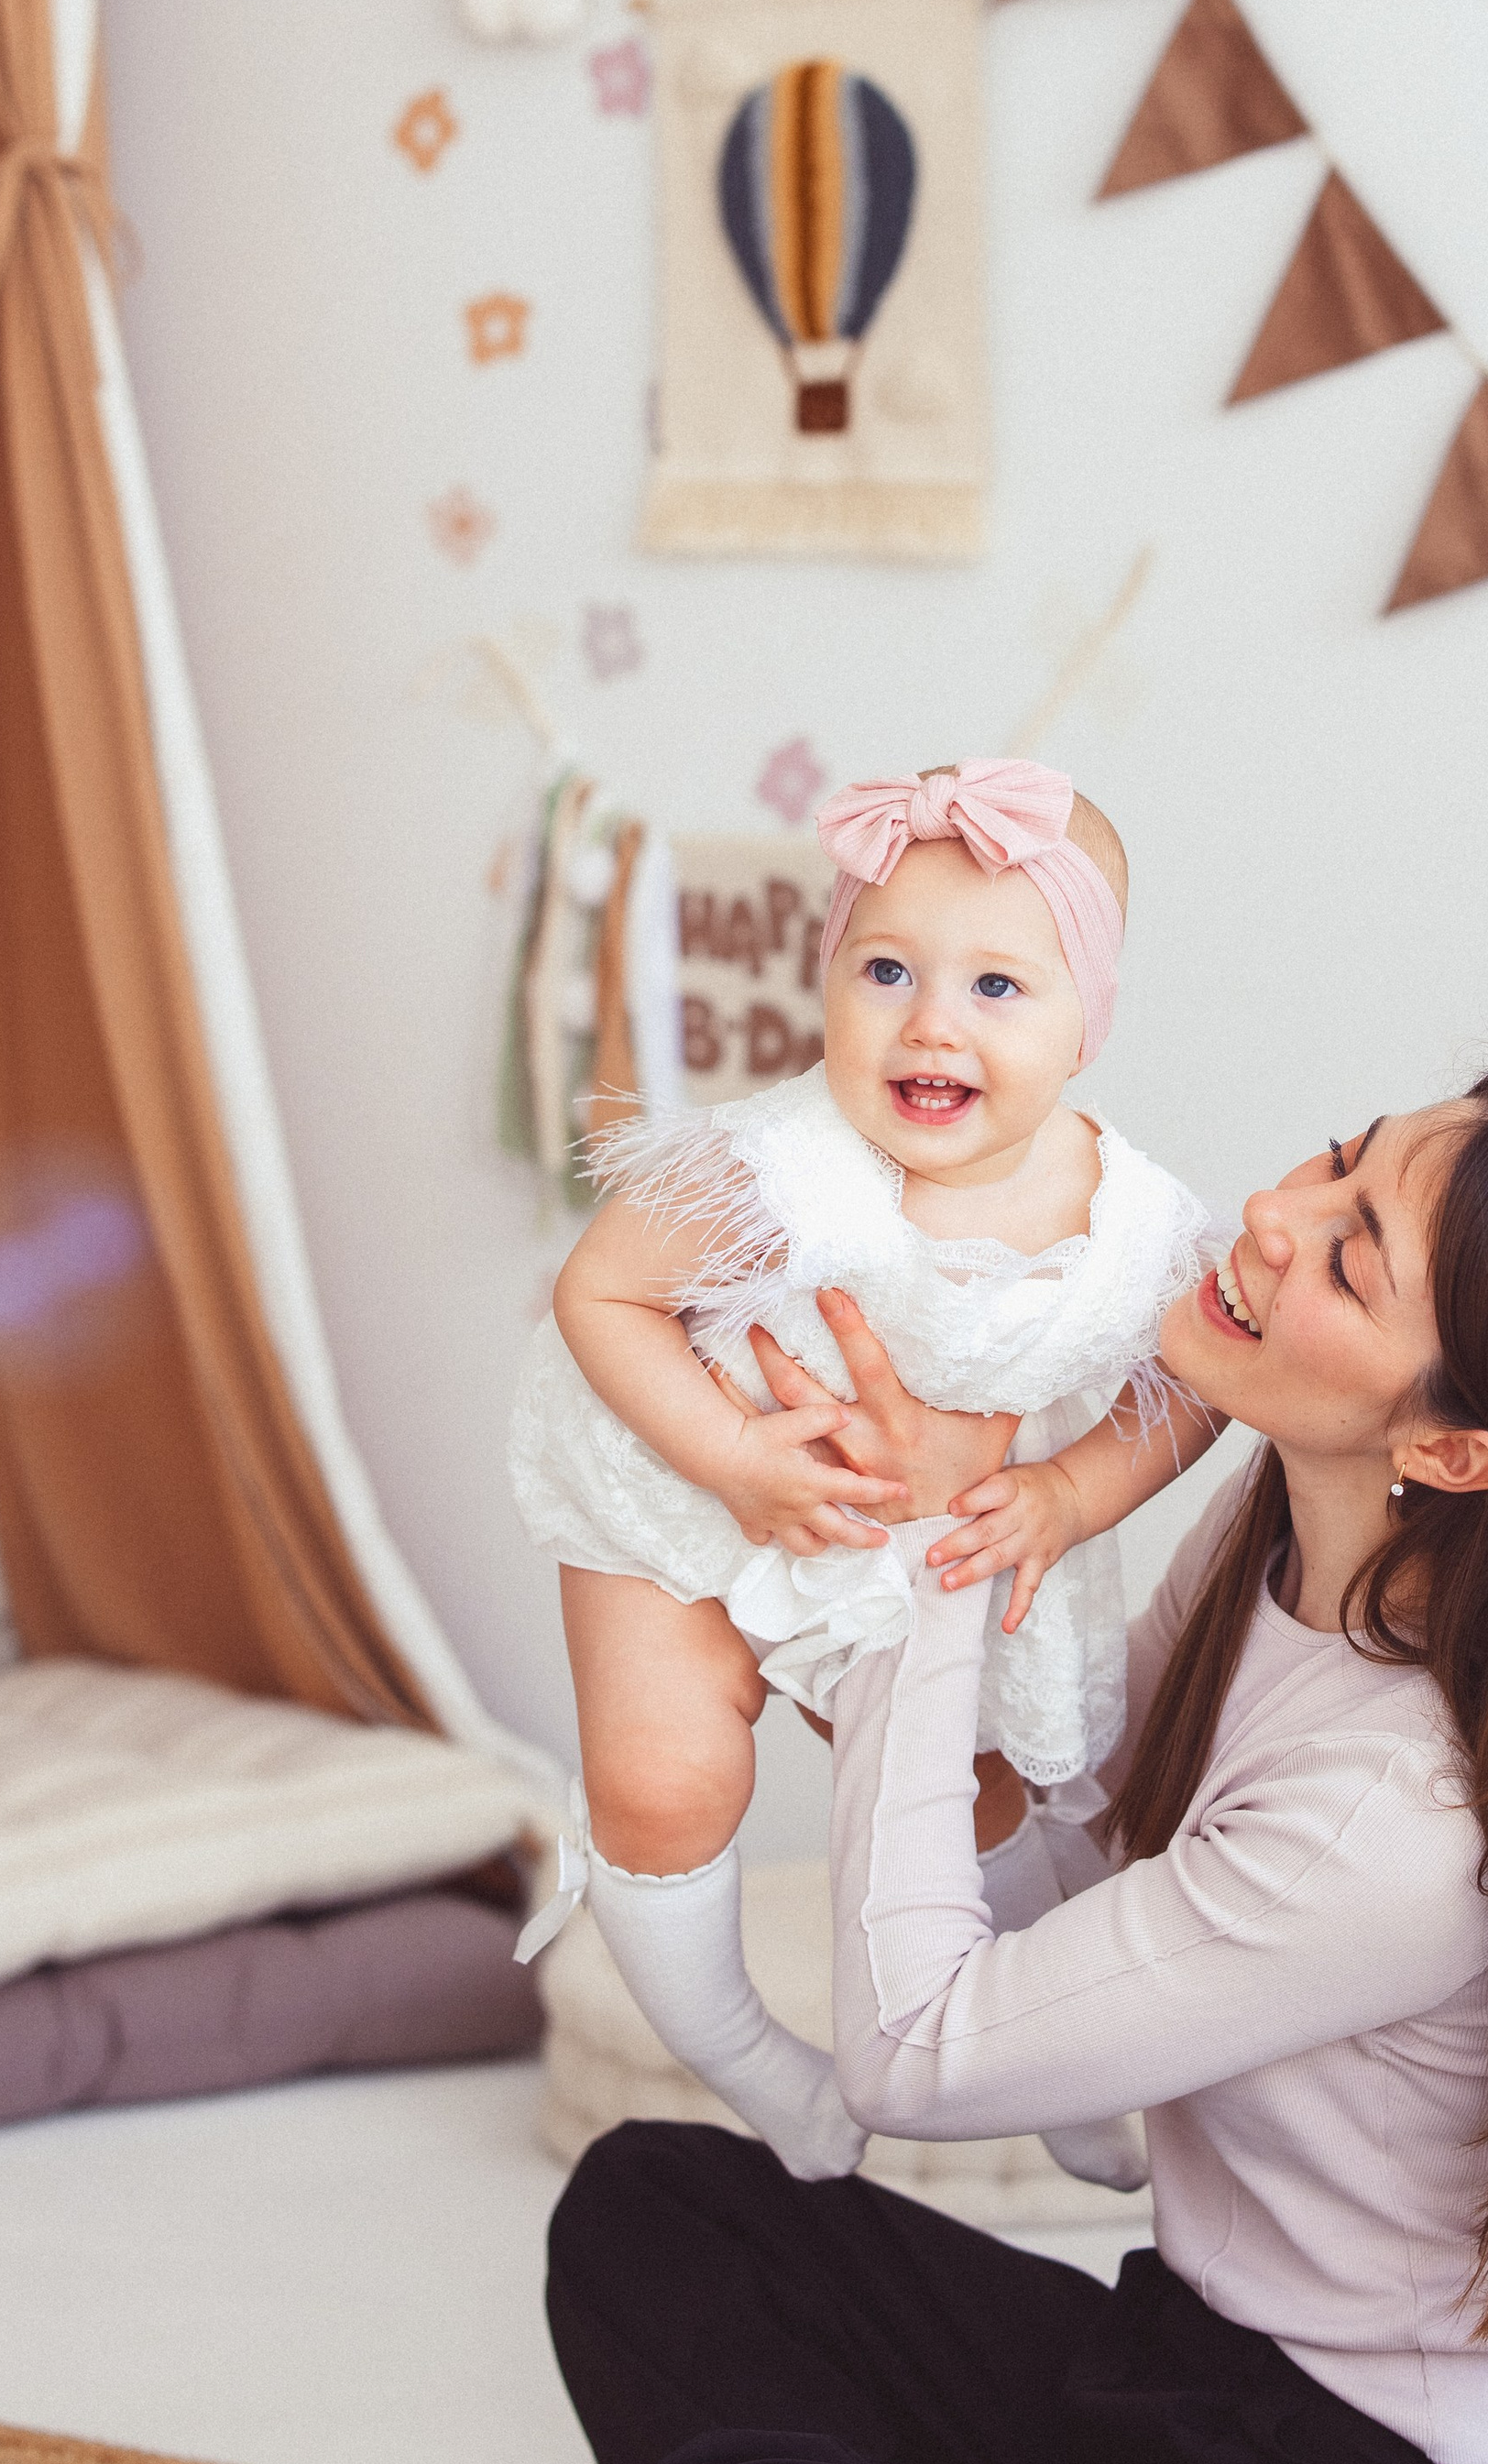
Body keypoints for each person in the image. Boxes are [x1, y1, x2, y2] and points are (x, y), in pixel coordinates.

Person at [547, 1070, 1488, 2464]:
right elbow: (1089, 1923)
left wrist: (928, 1571)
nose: (1277, 1217)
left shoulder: (1400, 1826)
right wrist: (901, 1677)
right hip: (1182, 2372)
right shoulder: (1279, 1544)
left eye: (1357, 1258)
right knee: (659, 2207)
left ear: (1452, 1448)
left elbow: (916, 2055)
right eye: (1341, 1157)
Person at [509, 759, 1212, 2185]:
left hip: (898, 1525)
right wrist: (729, 1455)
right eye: (883, 967)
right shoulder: (780, 1165)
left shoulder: (1132, 1220)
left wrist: (1073, 1489)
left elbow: (1197, 1388)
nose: (929, 1023)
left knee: (977, 1793)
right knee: (659, 1781)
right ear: (824, 979)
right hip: (686, 1485)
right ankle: (757, 2065)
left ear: (1091, 1025)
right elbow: (600, 1296)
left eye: (999, 987)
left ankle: (1057, 2060)